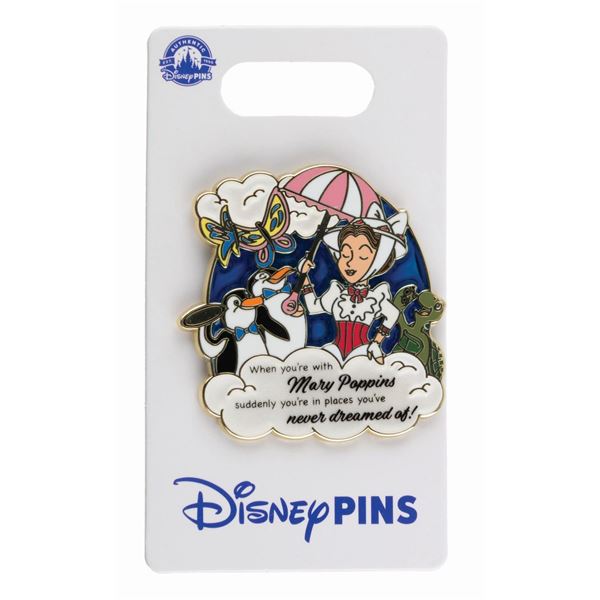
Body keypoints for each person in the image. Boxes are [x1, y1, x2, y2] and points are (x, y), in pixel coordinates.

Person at [299, 213, 408, 363]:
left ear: (380, 259)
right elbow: (313, 307)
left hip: (361, 354)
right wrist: (304, 276)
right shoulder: (337, 293)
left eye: (362, 256)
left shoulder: (376, 297)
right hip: (334, 352)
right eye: (345, 254)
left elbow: (393, 314)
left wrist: (376, 343)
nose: (350, 262)